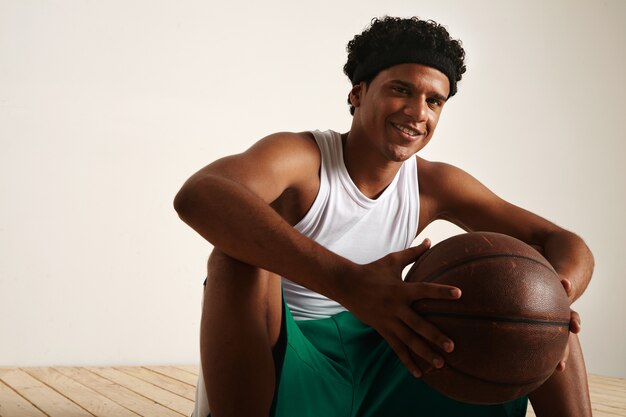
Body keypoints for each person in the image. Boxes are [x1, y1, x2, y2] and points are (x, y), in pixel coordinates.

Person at [174, 16, 594, 417]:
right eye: (401, 90)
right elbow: (201, 193)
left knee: (539, 316)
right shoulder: (303, 158)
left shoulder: (433, 184)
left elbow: (561, 241)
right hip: (290, 360)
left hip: (389, 352)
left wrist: (557, 295)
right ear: (358, 93)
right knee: (234, 259)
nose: (418, 112)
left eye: (434, 101)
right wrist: (348, 284)